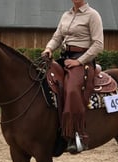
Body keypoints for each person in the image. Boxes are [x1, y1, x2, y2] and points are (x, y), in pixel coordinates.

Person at [42, 0, 104, 153]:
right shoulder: (66, 15)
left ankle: (75, 134)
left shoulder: (93, 15)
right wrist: (49, 49)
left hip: (83, 61)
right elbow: (57, 37)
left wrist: (78, 61)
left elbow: (98, 44)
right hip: (65, 58)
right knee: (43, 79)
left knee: (71, 89)